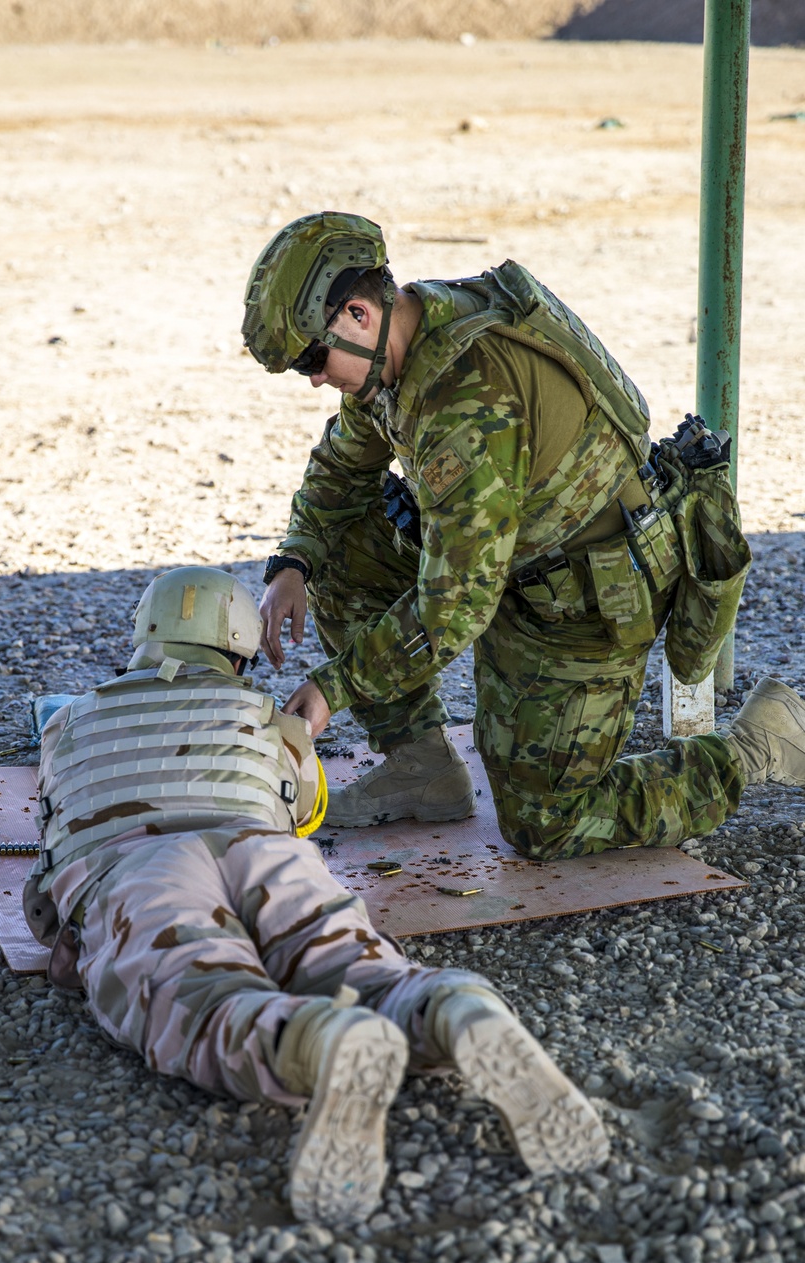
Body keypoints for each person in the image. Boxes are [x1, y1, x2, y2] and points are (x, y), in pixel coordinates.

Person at [23, 566, 609, 1228]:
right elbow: (303, 812)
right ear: (239, 650)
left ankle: (318, 1041)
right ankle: (450, 1007)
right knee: (351, 962)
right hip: (268, 853)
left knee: (198, 997)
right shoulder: (263, 716)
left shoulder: (67, 723)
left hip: (139, 872)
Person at [242, 211, 805, 859]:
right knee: (339, 547)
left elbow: (453, 609)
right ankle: (423, 770)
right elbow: (342, 467)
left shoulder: (466, 402)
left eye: (315, 357)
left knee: (546, 823)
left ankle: (755, 745)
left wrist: (332, 688)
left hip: (583, 601)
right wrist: (293, 563)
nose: (314, 377)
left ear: (359, 315)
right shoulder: (402, 344)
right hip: (508, 565)